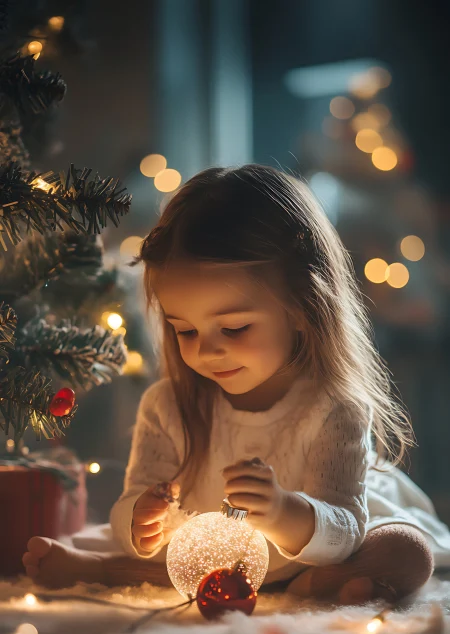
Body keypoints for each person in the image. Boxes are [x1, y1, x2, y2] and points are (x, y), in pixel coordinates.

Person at [22, 164, 450, 604]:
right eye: (185, 331)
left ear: (302, 308)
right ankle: (98, 570)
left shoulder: (333, 407)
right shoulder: (168, 404)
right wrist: (139, 520)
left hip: (318, 550)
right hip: (209, 553)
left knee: (407, 553)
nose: (206, 352)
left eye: (234, 329)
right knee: (175, 559)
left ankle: (306, 583)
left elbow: (344, 526)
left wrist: (285, 511)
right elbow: (131, 498)